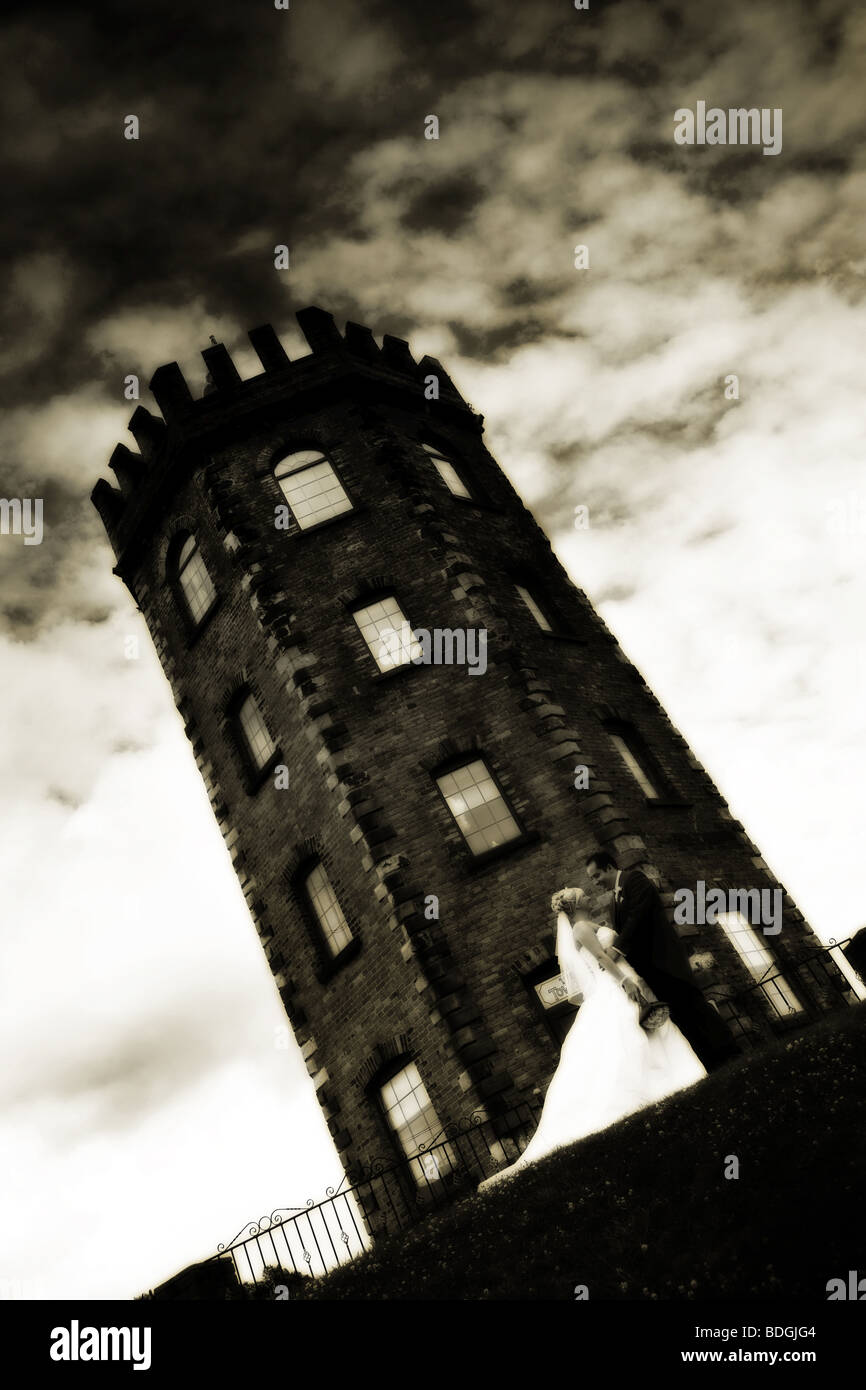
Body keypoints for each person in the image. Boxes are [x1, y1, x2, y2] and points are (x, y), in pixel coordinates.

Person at [478, 887, 706, 1190]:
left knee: (647, 1032)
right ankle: (656, 1087)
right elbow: (599, 958)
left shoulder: (587, 925)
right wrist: (625, 982)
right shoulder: (582, 927)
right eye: (581, 894)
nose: (587, 895)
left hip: (623, 979)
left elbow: (608, 952)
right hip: (614, 985)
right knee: (628, 1038)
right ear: (574, 906)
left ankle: (674, 1079)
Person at [585, 851, 740, 1071]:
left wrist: (616, 949)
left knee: (694, 1005)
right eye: (592, 878)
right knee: (679, 1015)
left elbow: (637, 918)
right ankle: (710, 1062)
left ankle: (730, 1052)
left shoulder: (635, 880)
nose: (595, 882)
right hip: (650, 969)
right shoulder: (613, 901)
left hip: (665, 960)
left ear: (610, 868)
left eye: (597, 875)